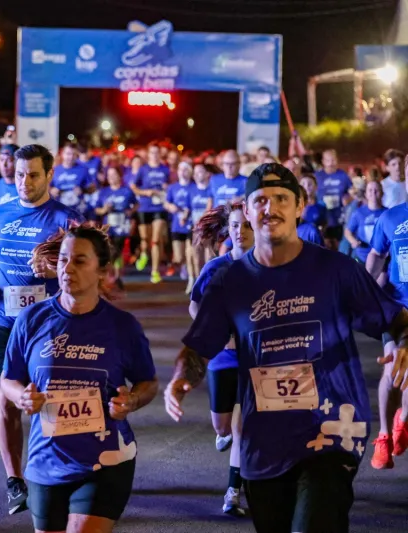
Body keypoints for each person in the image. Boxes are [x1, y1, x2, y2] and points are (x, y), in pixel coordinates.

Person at [165, 163, 408, 533]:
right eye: (260, 200)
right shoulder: (230, 281)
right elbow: (199, 346)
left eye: (281, 198)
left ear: (300, 206)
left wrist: (402, 343)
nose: (270, 208)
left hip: (330, 433)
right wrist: (182, 378)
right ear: (246, 211)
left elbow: (394, 319)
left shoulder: (336, 271)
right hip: (264, 441)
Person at [1, 222, 158, 533]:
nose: (67, 268)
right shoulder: (32, 320)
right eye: (62, 260)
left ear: (102, 270)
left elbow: (148, 382)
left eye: (80, 261)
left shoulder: (123, 326)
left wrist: (132, 400)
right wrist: (20, 396)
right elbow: (8, 379)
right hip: (46, 459)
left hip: (106, 458)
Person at [0, 143, 82, 515]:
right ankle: (15, 481)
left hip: (49, 326)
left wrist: (57, 272)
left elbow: (91, 271)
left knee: (49, 403)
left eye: (33, 174)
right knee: (6, 401)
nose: (24, 182)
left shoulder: (66, 219)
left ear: (49, 175)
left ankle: (59, 472)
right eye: (19, 174)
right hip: (4, 324)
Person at [189, 201, 254, 517]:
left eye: (246, 225)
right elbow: (195, 306)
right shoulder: (215, 268)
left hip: (255, 359)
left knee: (244, 426)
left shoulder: (269, 267)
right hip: (222, 358)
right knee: (225, 425)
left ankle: (234, 492)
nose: (240, 231)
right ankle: (223, 433)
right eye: (234, 226)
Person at [365, 186, 408, 470]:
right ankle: (383, 435)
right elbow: (375, 258)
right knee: (392, 366)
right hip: (394, 307)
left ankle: (402, 420)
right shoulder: (390, 217)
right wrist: (361, 293)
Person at [129, 144, 169, 283]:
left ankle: (155, 271)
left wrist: (166, 188)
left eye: (157, 153)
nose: (155, 155)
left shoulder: (165, 169)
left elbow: (172, 186)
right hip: (145, 207)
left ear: (160, 154)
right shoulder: (143, 169)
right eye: (152, 153)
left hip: (159, 207)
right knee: (145, 240)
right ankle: (144, 253)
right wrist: (145, 192)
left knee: (156, 240)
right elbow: (133, 186)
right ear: (148, 154)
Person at [94, 163, 136, 272]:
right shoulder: (104, 191)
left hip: (122, 224)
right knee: (108, 248)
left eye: (114, 175)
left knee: (117, 247)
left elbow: (136, 204)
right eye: (109, 175)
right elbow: (97, 209)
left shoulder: (127, 190)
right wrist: (104, 209)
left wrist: (130, 211)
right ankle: (111, 273)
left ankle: (115, 275)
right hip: (108, 223)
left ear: (120, 175)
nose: (111, 178)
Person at [165, 161, 195, 291]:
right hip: (177, 225)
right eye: (180, 169)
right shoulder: (172, 187)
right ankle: (183, 266)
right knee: (179, 257)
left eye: (186, 169)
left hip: (191, 224)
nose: (183, 172)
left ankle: (191, 279)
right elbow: (166, 203)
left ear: (190, 172)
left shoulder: (194, 187)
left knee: (190, 254)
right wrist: (170, 207)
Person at [314, 149, 353, 250]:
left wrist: (348, 198)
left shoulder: (343, 176)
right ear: (323, 161)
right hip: (321, 218)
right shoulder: (318, 176)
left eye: (333, 160)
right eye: (328, 160)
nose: (331, 163)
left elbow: (352, 192)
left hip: (338, 218)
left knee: (337, 250)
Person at [345, 180, 385, 264]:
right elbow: (348, 232)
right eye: (370, 190)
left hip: (381, 258)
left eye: (376, 190)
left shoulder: (387, 213)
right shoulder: (358, 213)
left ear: (382, 193)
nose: (373, 192)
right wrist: (353, 241)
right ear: (366, 194)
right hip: (362, 256)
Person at [51, 143, 91, 212]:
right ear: (62, 154)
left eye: (74, 154)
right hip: (59, 210)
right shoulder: (55, 170)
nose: (71, 157)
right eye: (68, 154)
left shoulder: (83, 169)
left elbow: (92, 188)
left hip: (78, 210)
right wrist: (52, 190)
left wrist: (83, 190)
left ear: (77, 155)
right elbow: (47, 187)